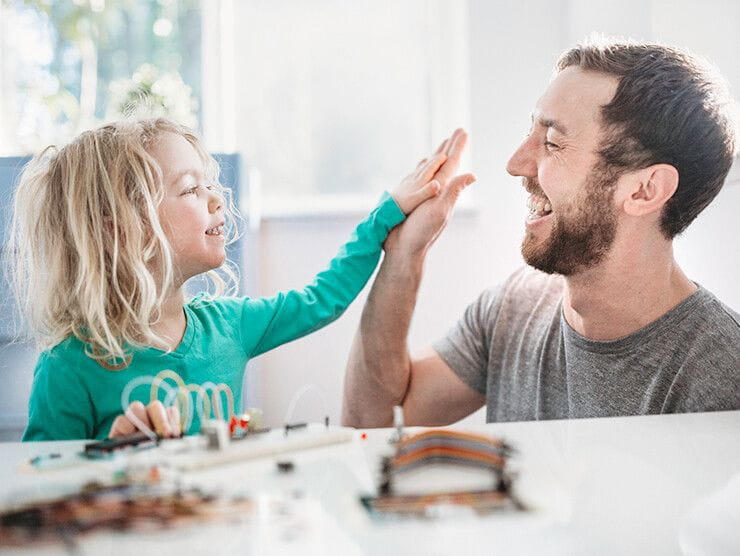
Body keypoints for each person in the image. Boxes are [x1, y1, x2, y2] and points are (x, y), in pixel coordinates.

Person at [342, 38, 740, 428]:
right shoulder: (515, 307)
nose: (515, 164)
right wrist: (403, 255)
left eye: (552, 142)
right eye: (530, 132)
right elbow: (372, 425)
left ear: (644, 190)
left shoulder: (721, 378)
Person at [13, 118, 475, 440]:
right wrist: (105, 458)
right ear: (121, 226)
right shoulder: (69, 365)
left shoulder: (229, 326)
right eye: (192, 189)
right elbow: (36, 485)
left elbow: (323, 299)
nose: (217, 199)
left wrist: (387, 213)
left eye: (210, 184)